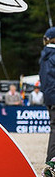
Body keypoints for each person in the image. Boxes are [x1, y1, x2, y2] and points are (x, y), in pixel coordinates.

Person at [39, 27, 55, 162]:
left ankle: (51, 160)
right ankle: (51, 161)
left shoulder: (44, 56)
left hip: (49, 98)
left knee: (53, 130)